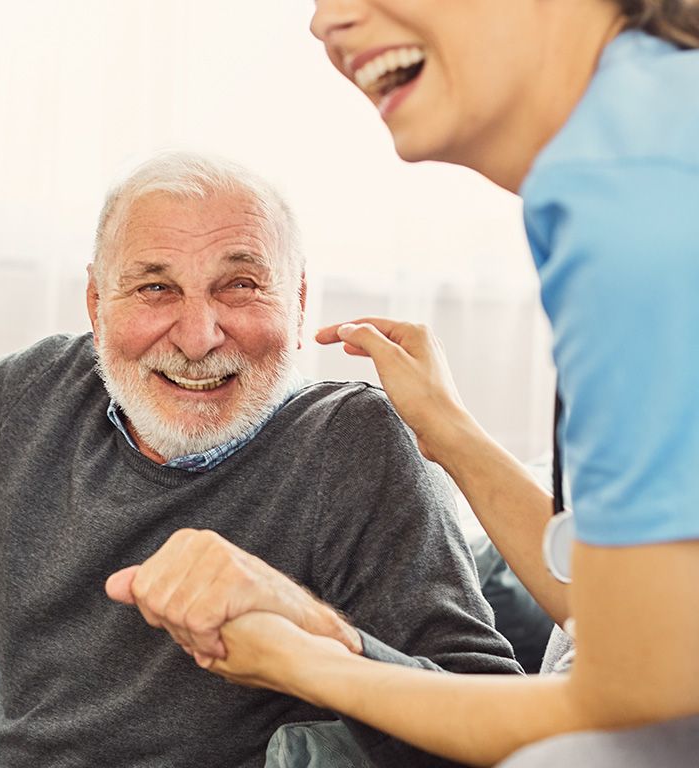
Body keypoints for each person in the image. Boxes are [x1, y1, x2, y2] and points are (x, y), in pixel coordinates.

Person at [0, 152, 520, 768]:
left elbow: (488, 725)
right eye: (155, 287)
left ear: (299, 305)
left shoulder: (355, 446)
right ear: (96, 304)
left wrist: (313, 629)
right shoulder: (36, 392)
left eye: (239, 286)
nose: (198, 336)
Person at [118, 3, 699, 767]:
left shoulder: (634, 182)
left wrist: (302, 652)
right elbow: (645, 625)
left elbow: (634, 699)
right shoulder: (645, 133)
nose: (327, 22)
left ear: (294, 302)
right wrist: (449, 433)